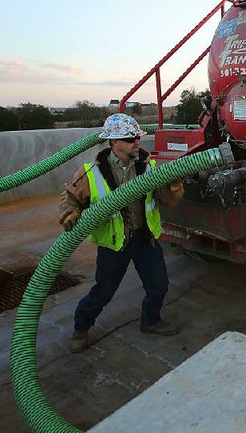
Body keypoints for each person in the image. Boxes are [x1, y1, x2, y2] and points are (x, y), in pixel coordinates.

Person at [60, 113, 185, 353]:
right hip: (115, 244)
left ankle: (150, 321)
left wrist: (174, 186)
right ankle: (80, 329)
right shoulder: (91, 172)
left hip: (144, 239)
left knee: (159, 286)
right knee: (103, 292)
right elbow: (70, 199)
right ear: (114, 142)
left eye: (137, 137)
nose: (137, 142)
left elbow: (167, 201)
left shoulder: (148, 166)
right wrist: (69, 213)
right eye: (130, 139)